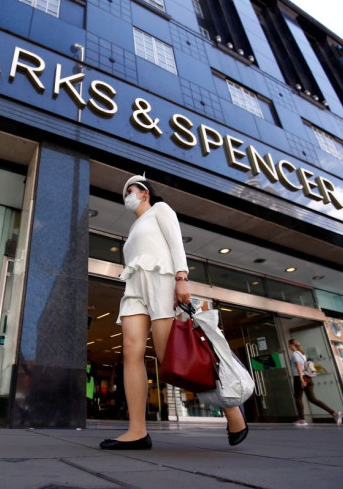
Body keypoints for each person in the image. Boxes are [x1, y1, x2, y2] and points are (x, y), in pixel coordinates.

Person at [100, 175, 247, 450]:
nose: (126, 197)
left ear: (144, 192)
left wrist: (182, 278)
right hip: (134, 287)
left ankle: (231, 410)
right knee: (130, 352)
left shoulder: (161, 210)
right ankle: (137, 431)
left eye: (128, 191)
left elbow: (176, 243)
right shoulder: (134, 228)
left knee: (171, 356)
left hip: (162, 280)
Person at [288, 338, 342, 426]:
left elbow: (298, 366)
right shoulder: (302, 354)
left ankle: (302, 420)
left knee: (298, 398)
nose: (288, 346)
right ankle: (334, 414)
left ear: (292, 345)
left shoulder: (295, 354)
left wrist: (301, 379)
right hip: (308, 378)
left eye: (289, 344)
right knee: (313, 399)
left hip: (299, 377)